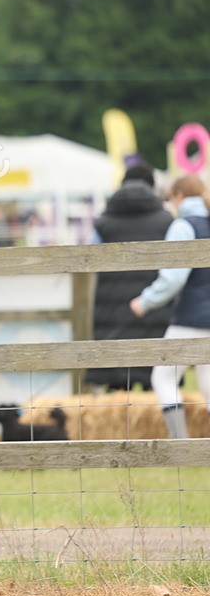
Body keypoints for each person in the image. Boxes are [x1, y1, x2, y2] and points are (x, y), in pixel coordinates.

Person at [129, 175, 210, 438]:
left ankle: (181, 444)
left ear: (178, 196)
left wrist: (145, 301)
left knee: (163, 378)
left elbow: (173, 277)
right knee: (208, 383)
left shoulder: (183, 226)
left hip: (191, 319)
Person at [86, 163, 174, 391]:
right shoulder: (166, 221)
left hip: (111, 308)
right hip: (153, 307)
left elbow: (87, 257)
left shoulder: (103, 222)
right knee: (155, 382)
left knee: (117, 382)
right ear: (152, 186)